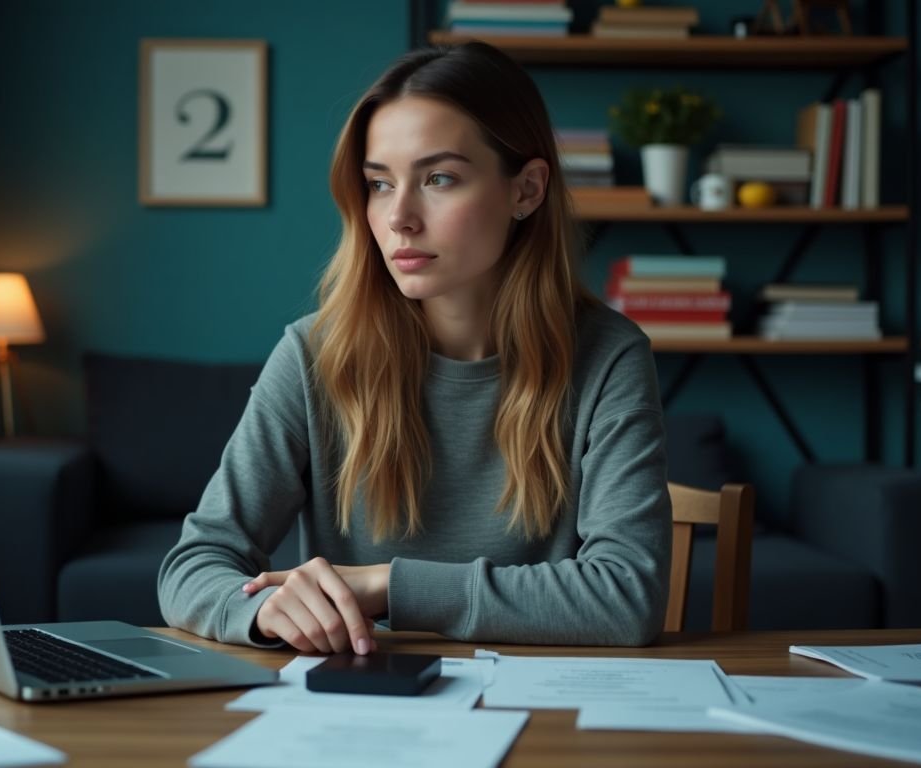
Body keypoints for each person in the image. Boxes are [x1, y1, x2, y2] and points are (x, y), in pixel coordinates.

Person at [158, 41, 670, 655]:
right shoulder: (312, 355)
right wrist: (270, 609)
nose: (399, 216)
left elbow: (626, 598)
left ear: (527, 190)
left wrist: (386, 586)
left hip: (544, 715)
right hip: (360, 708)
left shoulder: (609, 357)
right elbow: (193, 566)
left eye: (439, 178)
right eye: (378, 183)